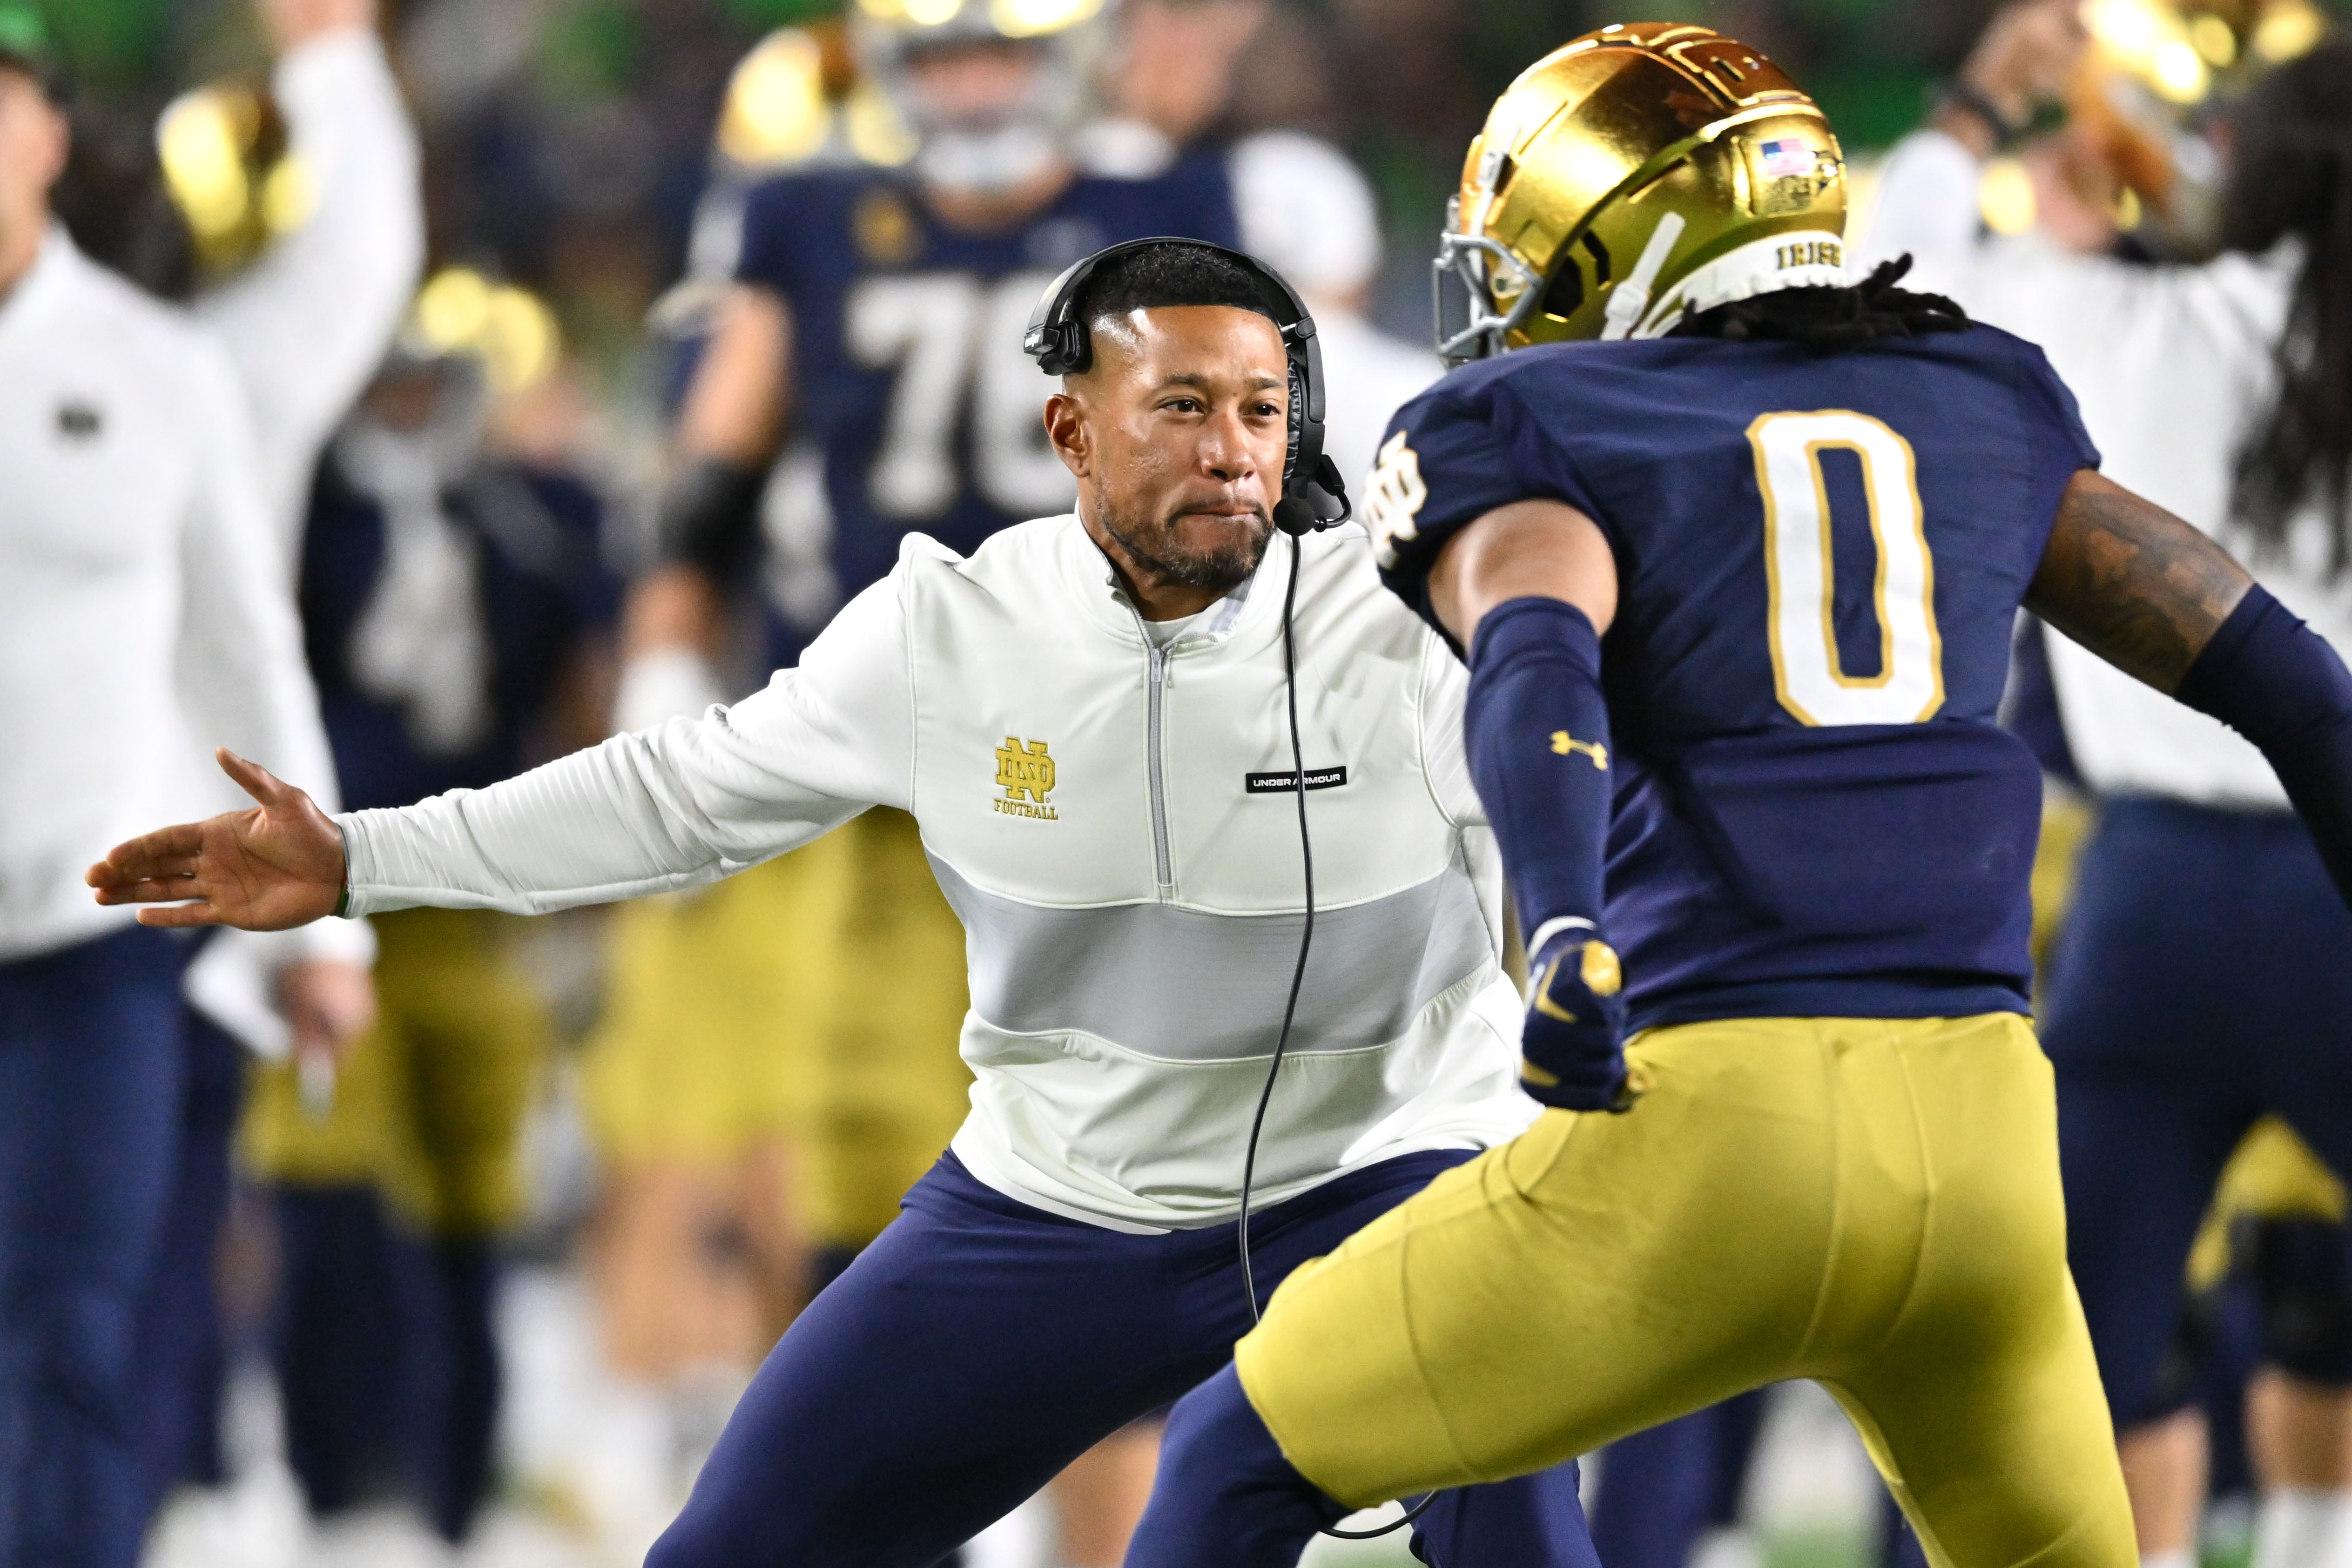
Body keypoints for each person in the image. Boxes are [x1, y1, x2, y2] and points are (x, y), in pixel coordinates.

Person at [88, 238, 1598, 1568]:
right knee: (729, 1549)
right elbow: (680, 794)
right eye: (1184, 407)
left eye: (1265, 412)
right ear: (1071, 431)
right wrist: (362, 856)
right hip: (1054, 1210)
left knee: (1505, 1535)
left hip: (1383, 1184)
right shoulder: (954, 629)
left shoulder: (1404, 622)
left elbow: (1590, 778)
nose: (1234, 452)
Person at [1113, 23, 2352, 1568]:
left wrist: (1565, 926)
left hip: (1717, 1127)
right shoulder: (1978, 392)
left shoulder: (1538, 425)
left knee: (1241, 1445)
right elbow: (2289, 682)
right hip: (1981, 1153)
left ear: (1618, 246)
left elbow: (1541, 658)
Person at [594, 4, 1243, 1549]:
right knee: (862, 1193)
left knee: (1125, 1210)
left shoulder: (1170, 211)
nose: (972, 86)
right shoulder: (813, 213)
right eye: (944, 56)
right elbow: (717, 467)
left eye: (1001, 55)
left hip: (1115, 779)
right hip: (892, 785)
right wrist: (668, 654)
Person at [1861, 12, 2352, 1568]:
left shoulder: (2119, 321)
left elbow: (1884, 276)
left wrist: (1989, 107)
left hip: (2153, 901)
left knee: (2080, 1346)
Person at [0, 12, 372, 1566]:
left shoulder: (161, 366)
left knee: (73, 1327)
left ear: (42, 134)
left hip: (94, 938)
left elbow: (244, 652)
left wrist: (328, 925)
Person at [232, 331, 617, 1548]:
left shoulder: (537, 511)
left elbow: (592, 684)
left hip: (472, 898)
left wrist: (586, 869)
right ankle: (331, 1481)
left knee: (472, 1204)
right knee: (326, 1180)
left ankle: (456, 1486)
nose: (405, 405)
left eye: (424, 379)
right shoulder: (290, 505)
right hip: (324, 901)